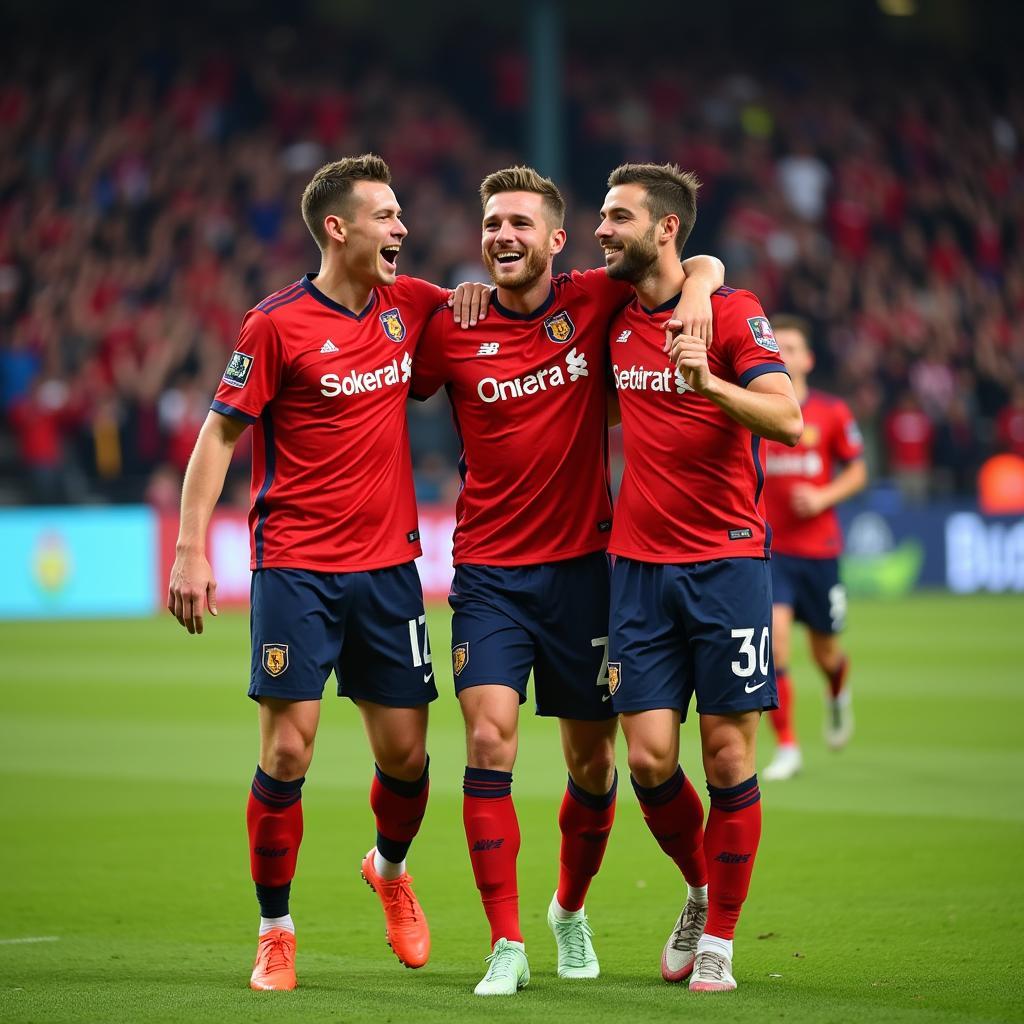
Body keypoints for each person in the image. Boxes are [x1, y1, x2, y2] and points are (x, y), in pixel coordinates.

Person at [166, 154, 489, 991]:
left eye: (402, 215)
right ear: (338, 228)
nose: (402, 229)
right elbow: (218, 437)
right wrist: (192, 547)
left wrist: (479, 298)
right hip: (296, 568)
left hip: (389, 570)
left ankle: (387, 869)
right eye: (386, 216)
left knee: (409, 758)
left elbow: (473, 314)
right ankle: (276, 930)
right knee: (286, 751)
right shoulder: (273, 325)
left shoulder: (409, 304)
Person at [411, 165, 724, 996]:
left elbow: (687, 259)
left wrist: (703, 284)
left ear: (556, 241)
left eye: (520, 224)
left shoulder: (594, 300)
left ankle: (569, 910)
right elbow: (380, 331)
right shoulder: (449, 322)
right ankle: (506, 942)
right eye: (491, 225)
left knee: (593, 766)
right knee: (487, 741)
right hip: (486, 575)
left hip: (587, 573)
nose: (502, 236)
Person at [598, 163, 802, 993]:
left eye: (618, 217)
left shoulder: (733, 312)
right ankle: (700, 885)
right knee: (648, 758)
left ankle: (718, 939)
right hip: (639, 569)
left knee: (725, 754)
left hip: (726, 563)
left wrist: (708, 381)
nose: (603, 228)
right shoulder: (612, 313)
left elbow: (786, 418)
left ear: (667, 228)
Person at [761, 315, 867, 781]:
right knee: (774, 646)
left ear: (807, 358)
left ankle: (837, 692)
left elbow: (858, 471)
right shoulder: (756, 408)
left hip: (820, 549)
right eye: (776, 345)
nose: (783, 353)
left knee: (826, 653)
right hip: (771, 549)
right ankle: (788, 747)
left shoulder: (831, 412)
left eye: (792, 347)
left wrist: (823, 497)